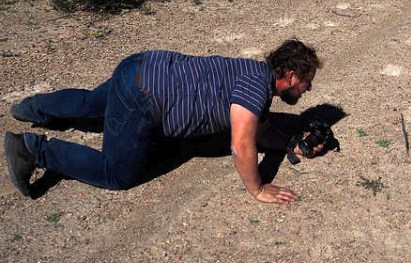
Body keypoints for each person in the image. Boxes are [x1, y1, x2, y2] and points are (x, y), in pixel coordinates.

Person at [4, 38, 323, 204]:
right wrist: (259, 189)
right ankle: (33, 150)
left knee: (92, 104)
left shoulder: (253, 75)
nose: (307, 89)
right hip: (144, 96)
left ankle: (30, 108)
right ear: (291, 75)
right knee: (116, 173)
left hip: (142, 65)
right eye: (306, 82)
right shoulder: (256, 91)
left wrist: (293, 141)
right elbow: (241, 145)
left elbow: (259, 130)